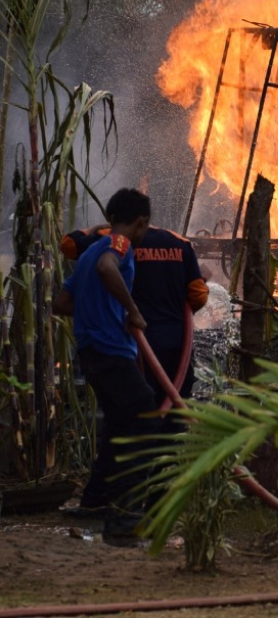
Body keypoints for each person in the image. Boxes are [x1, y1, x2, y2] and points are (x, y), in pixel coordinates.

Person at [59, 210, 209, 515]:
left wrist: (99, 227)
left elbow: (68, 246)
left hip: (133, 350)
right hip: (172, 351)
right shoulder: (180, 243)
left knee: (123, 422)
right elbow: (198, 295)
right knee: (164, 426)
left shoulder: (109, 239)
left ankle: (110, 498)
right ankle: (149, 501)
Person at [53, 188, 158, 546]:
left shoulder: (86, 255)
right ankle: (125, 522)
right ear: (141, 222)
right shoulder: (119, 246)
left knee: (118, 424)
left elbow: (61, 302)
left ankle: (97, 502)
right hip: (112, 352)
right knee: (146, 419)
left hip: (91, 352)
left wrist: (96, 313)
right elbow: (107, 268)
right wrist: (132, 310)